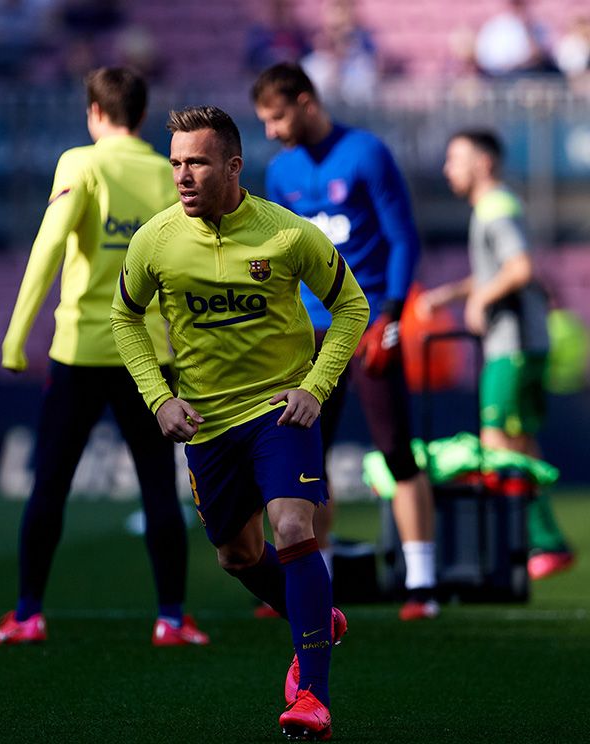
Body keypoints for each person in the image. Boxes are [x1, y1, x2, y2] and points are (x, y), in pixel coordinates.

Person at [111, 105, 368, 739]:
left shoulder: (288, 234)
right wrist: (159, 398)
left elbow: (353, 307)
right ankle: (313, 613)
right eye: (175, 163)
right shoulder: (155, 240)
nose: (182, 176)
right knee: (236, 553)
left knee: (291, 525)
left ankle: (312, 694)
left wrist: (315, 386)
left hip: (280, 411)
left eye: (195, 162)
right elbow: (124, 319)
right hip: (207, 426)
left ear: (233, 165)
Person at [0, 67, 208, 648]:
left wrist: (16, 336)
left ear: (93, 112)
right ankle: (171, 617)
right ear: (140, 114)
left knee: (50, 487)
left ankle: (28, 614)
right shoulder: (170, 173)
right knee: (159, 490)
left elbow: (49, 244)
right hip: (152, 357)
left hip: (81, 352)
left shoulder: (81, 163)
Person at [251, 62, 440, 621]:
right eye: (264, 121)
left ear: (307, 102)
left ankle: (422, 584)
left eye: (278, 117)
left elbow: (402, 238)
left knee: (396, 451)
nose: (272, 131)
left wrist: (392, 314)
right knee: (308, 458)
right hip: (305, 332)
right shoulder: (281, 171)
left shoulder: (366, 154)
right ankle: (318, 584)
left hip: (369, 323)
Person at [420, 129, 575, 581]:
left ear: (483, 163)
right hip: (523, 343)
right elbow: (498, 269)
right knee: (519, 442)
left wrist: (480, 300)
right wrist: (453, 293)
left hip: (513, 346)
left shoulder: (495, 208)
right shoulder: (495, 206)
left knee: (496, 442)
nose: (449, 168)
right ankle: (546, 544)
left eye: (456, 158)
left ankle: (530, 542)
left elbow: (521, 268)